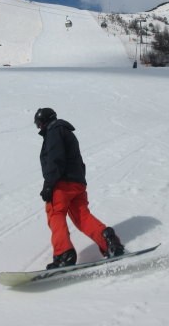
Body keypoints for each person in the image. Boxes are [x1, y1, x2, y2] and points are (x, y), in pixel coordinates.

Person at [34, 107, 125, 269]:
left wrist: (49, 184)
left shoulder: (54, 131)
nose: (39, 128)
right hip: (77, 183)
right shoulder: (66, 132)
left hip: (62, 183)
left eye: (39, 124)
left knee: (55, 213)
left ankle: (64, 253)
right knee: (82, 216)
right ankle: (109, 242)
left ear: (45, 121)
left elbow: (56, 158)